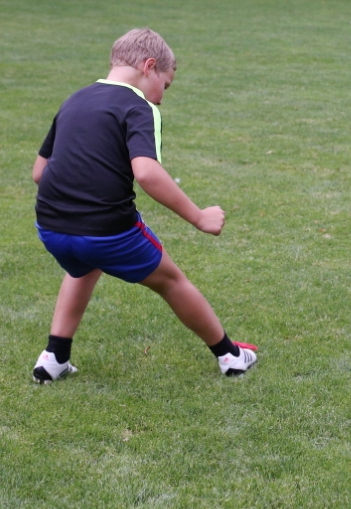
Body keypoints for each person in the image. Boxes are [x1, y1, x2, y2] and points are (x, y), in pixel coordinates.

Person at [30, 28, 257, 383]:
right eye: (165, 86)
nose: (162, 98)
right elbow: (147, 173)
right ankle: (231, 356)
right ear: (149, 66)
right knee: (171, 280)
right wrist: (199, 217)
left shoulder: (75, 99)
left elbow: (39, 172)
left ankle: (53, 358)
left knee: (83, 267)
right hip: (108, 231)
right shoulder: (138, 107)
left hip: (50, 227)